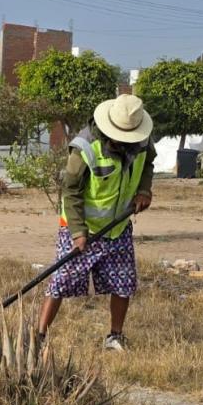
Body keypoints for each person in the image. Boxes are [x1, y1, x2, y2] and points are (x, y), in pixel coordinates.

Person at [36, 94, 155, 352]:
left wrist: (144, 190)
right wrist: (78, 233)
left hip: (118, 228)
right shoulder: (85, 148)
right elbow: (71, 192)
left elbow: (148, 164)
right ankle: (40, 336)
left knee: (123, 283)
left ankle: (115, 336)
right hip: (81, 228)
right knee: (60, 281)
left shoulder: (142, 140)